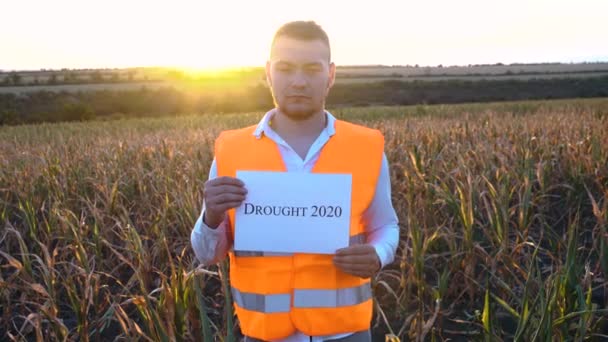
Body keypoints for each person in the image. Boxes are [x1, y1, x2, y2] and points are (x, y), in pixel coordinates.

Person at [191, 21, 399, 342]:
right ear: (268, 72)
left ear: (330, 75)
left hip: (346, 334)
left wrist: (378, 254)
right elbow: (208, 254)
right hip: (264, 334)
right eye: (286, 68)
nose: (299, 82)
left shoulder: (366, 148)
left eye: (312, 69)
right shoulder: (232, 151)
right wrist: (211, 216)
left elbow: (386, 226)